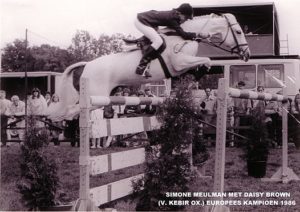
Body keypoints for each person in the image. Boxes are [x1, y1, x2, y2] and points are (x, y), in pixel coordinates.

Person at [134, 3, 210, 78]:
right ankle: (141, 67)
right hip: (141, 21)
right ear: (180, 13)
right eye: (185, 18)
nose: (185, 20)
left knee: (158, 36)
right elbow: (183, 34)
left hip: (149, 21)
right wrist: (197, 35)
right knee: (158, 41)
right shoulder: (172, 19)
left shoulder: (175, 16)